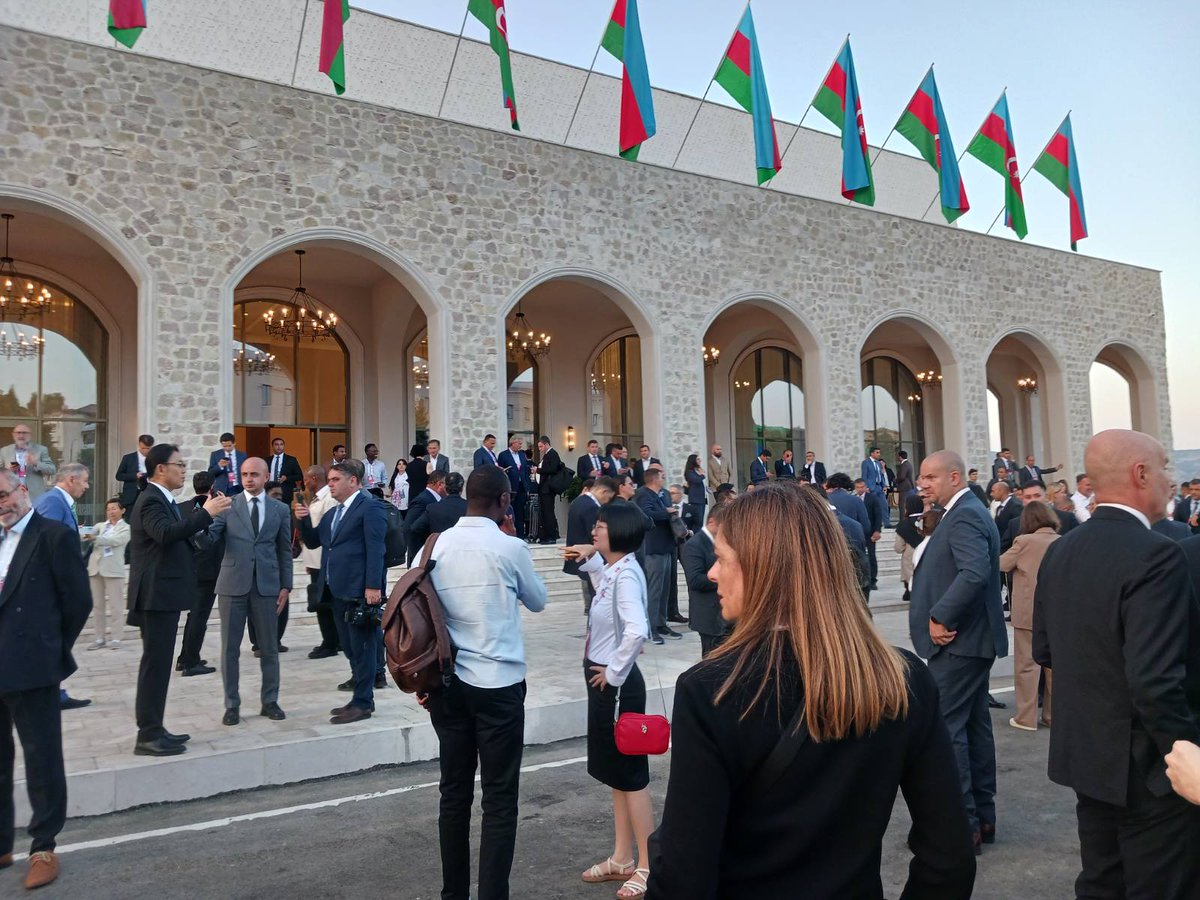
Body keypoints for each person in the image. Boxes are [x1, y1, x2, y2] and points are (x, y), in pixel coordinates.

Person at [647, 484, 976, 897]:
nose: (712, 573)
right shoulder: (902, 677)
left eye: (721, 558)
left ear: (763, 567)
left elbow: (684, 876)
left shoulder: (712, 691)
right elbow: (949, 857)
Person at [1033, 430, 1200, 898]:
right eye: (1166, 467)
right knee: (1160, 885)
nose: (1173, 480)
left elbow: (1045, 651)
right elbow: (1154, 680)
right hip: (1151, 768)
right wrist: (1185, 754)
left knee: (1102, 881)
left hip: (1086, 757)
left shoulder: (1061, 549)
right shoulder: (1157, 554)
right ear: (1141, 473)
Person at [423, 465, 547, 900]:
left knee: (453, 794)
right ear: (504, 500)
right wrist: (511, 538)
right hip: (498, 684)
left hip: (448, 683)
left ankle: (452, 894)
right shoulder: (509, 546)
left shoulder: (437, 543)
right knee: (498, 799)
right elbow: (538, 601)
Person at [909, 450, 1008, 853]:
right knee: (973, 729)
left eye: (930, 477)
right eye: (921, 478)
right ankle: (981, 817)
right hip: (970, 642)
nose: (922, 485)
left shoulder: (965, 513)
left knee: (947, 731)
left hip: (960, 641)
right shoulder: (963, 510)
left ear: (953, 476)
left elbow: (974, 572)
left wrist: (940, 616)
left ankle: (961, 824)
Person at [0, 468, 92, 889]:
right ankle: (2, 843)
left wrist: (50, 648)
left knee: (42, 761)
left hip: (33, 666)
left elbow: (77, 602)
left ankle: (43, 847)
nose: (1, 504)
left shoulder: (53, 535)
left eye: (3, 494)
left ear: (22, 490)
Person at [562, 503, 654, 900]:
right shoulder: (616, 570)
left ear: (617, 533)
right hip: (604, 682)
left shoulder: (628, 575)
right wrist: (593, 559)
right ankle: (621, 857)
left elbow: (636, 630)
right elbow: (606, 598)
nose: (594, 532)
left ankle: (648, 866)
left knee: (631, 777)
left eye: (599, 527)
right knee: (616, 774)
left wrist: (613, 673)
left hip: (615, 686)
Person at [128, 444, 232, 756]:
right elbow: (165, 534)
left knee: (159, 666)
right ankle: (147, 734)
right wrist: (206, 513)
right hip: (155, 596)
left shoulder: (163, 499)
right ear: (161, 468)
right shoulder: (151, 500)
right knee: (155, 666)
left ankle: (155, 728)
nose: (184, 469)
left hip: (164, 595)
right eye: (179, 464)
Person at [296, 460, 388, 724]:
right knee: (348, 647)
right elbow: (315, 541)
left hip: (359, 591)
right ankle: (358, 696)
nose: (330, 484)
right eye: (330, 479)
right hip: (335, 591)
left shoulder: (369, 508)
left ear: (354, 481)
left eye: (336, 479)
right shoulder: (332, 514)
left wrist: (373, 587)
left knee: (363, 647)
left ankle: (363, 701)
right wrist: (301, 520)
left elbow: (376, 549)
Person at [206, 457, 292, 726]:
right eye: (244, 474)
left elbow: (284, 551)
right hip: (232, 584)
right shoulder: (228, 506)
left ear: (266, 477)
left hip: (267, 585)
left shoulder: (280, 509)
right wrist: (201, 516)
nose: (248, 479)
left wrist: (286, 586)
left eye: (254, 474)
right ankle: (232, 705)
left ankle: (270, 700)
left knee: (269, 648)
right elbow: (209, 537)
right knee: (230, 649)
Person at [999, 500, 1060, 732]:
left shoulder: (1023, 542)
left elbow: (1002, 564)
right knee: (1054, 667)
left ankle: (1026, 717)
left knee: (1027, 665)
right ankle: (1053, 716)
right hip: (1055, 612)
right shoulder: (1061, 541)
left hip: (1028, 612)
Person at [176, 472, 220, 676]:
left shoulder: (182, 507)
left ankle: (185, 657)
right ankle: (191, 661)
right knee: (199, 617)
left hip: (188, 568)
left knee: (194, 616)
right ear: (212, 485)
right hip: (208, 570)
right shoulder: (217, 506)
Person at [296, 465, 341, 660]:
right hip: (314, 559)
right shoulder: (315, 499)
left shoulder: (328, 500)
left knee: (324, 603)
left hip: (324, 560)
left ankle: (330, 642)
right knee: (320, 600)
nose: (305, 483)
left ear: (314, 478)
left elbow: (326, 532)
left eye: (307, 479)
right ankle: (331, 639)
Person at [635, 467, 678, 645]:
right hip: (653, 547)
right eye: (661, 475)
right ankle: (651, 627)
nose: (664, 477)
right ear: (654, 479)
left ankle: (661, 623)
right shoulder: (644, 494)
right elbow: (646, 515)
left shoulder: (663, 494)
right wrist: (666, 512)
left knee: (665, 589)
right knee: (654, 590)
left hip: (666, 545)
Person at [83, 497, 131, 649]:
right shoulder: (100, 526)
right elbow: (86, 535)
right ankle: (99, 638)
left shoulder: (126, 528)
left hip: (113, 570)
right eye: (109, 509)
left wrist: (96, 538)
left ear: (122, 510)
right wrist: (81, 531)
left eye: (114, 508)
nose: (111, 512)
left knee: (116, 606)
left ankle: (116, 638)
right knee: (97, 606)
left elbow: (116, 541)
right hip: (95, 568)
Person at [564, 477, 615, 612]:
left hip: (581, 554)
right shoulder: (591, 507)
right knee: (597, 600)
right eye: (609, 498)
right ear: (604, 492)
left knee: (593, 601)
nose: (607, 502)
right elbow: (593, 535)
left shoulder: (578, 501)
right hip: (589, 556)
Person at [682, 505, 725, 656]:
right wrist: (726, 579)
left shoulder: (723, 542)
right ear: (712, 522)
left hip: (725, 615)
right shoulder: (694, 545)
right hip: (708, 615)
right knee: (711, 662)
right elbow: (695, 580)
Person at [0, 424, 56, 502]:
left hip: (33, 495)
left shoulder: (40, 449)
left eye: (24, 433)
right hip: (11, 493)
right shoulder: (5, 451)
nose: (21, 435)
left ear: (29, 435)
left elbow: (52, 470)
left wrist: (35, 463)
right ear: (13, 434)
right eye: (18, 432)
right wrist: (8, 470)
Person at [406, 470, 447, 565]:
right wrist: (419, 556)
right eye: (446, 484)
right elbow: (409, 528)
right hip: (422, 557)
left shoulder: (434, 499)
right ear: (440, 484)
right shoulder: (422, 500)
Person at [33, 463, 89, 530]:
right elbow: (49, 537)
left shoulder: (57, 500)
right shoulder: (53, 501)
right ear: (71, 480)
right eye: (85, 481)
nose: (87, 486)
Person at [497, 436, 531, 541]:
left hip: (521, 486)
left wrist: (527, 487)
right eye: (519, 443)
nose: (521, 446)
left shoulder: (522, 454)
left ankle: (520, 535)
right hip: (510, 487)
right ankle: (509, 534)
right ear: (512, 443)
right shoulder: (503, 455)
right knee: (509, 511)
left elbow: (525, 471)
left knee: (520, 512)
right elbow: (500, 470)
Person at [533, 435, 565, 545]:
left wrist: (539, 470)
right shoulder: (547, 455)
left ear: (546, 444)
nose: (540, 449)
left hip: (548, 489)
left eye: (541, 446)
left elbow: (553, 468)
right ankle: (545, 535)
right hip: (543, 488)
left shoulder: (553, 454)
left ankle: (551, 536)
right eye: (539, 447)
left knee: (548, 512)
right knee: (544, 513)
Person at [115, 434, 154, 519]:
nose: (146, 451)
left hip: (148, 493)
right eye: (144, 448)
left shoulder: (154, 459)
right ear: (139, 445)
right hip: (131, 496)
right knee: (130, 520)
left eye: (149, 448)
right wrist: (134, 475)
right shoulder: (128, 458)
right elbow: (119, 476)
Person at [264, 437, 304, 504]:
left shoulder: (291, 460)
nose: (279, 447)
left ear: (283, 446)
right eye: (276, 444)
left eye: (281, 444)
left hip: (285, 493)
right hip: (269, 491)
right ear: (273, 446)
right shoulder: (267, 460)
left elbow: (299, 476)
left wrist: (286, 478)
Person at [682, 454, 706, 532]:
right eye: (698, 459)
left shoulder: (696, 471)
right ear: (693, 461)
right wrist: (702, 475)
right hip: (695, 501)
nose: (700, 461)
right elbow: (696, 480)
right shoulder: (690, 472)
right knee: (697, 522)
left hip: (701, 500)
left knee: (701, 521)